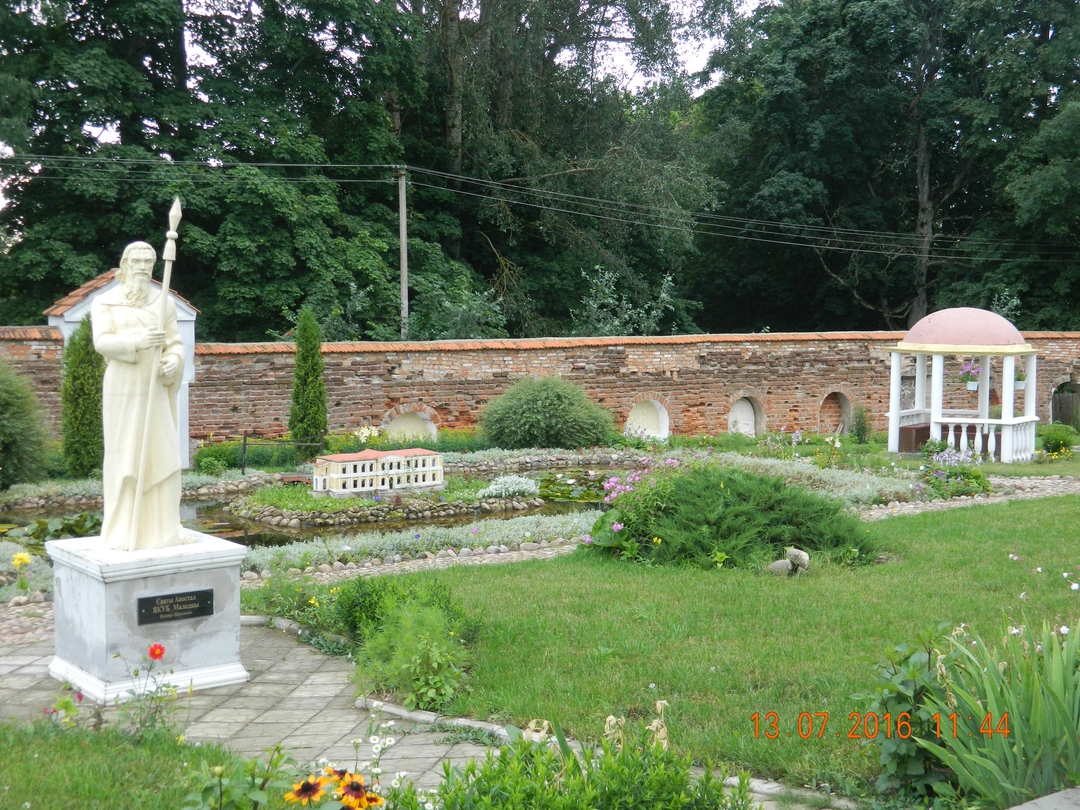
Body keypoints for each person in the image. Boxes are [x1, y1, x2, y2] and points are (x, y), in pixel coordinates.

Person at [92, 241, 188, 551]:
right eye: (137, 261)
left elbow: (175, 343)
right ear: (125, 265)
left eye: (148, 262)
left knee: (163, 453)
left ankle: (163, 529)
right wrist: (137, 341)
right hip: (123, 387)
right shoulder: (105, 302)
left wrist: (173, 360)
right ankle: (123, 532)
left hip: (154, 388)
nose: (143, 267)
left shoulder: (164, 303)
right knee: (126, 456)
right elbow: (101, 342)